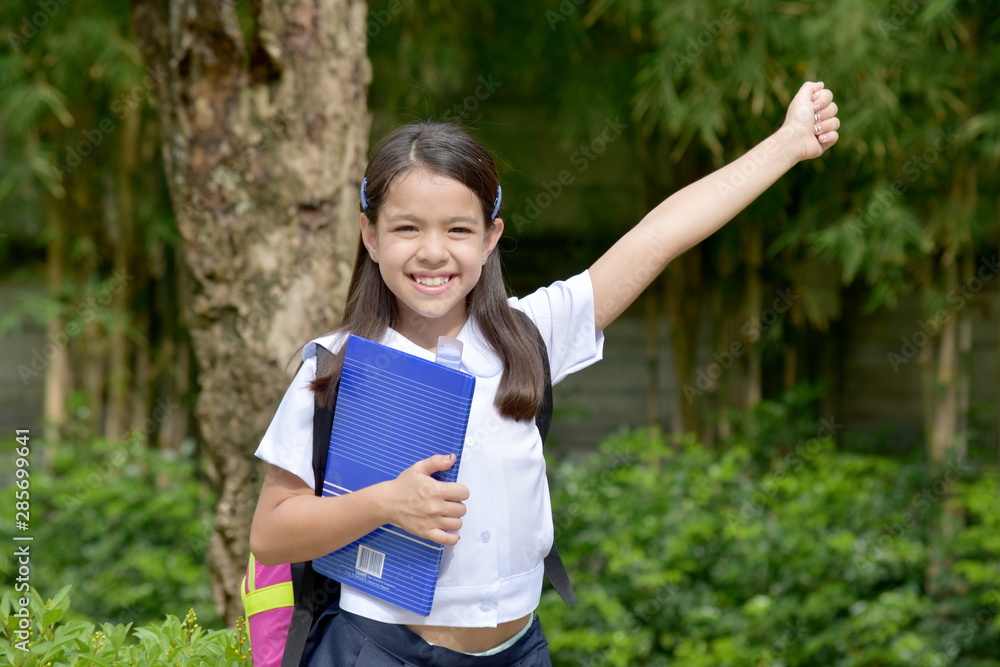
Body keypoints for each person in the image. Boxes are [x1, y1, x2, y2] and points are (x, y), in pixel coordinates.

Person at [250, 81, 840, 665]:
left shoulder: (528, 334)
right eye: (407, 228)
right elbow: (271, 534)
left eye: (458, 229)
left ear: (491, 238)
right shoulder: (335, 366)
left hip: (519, 652)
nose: (433, 251)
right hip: (380, 650)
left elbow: (659, 236)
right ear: (370, 236)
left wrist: (787, 143)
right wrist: (385, 503)